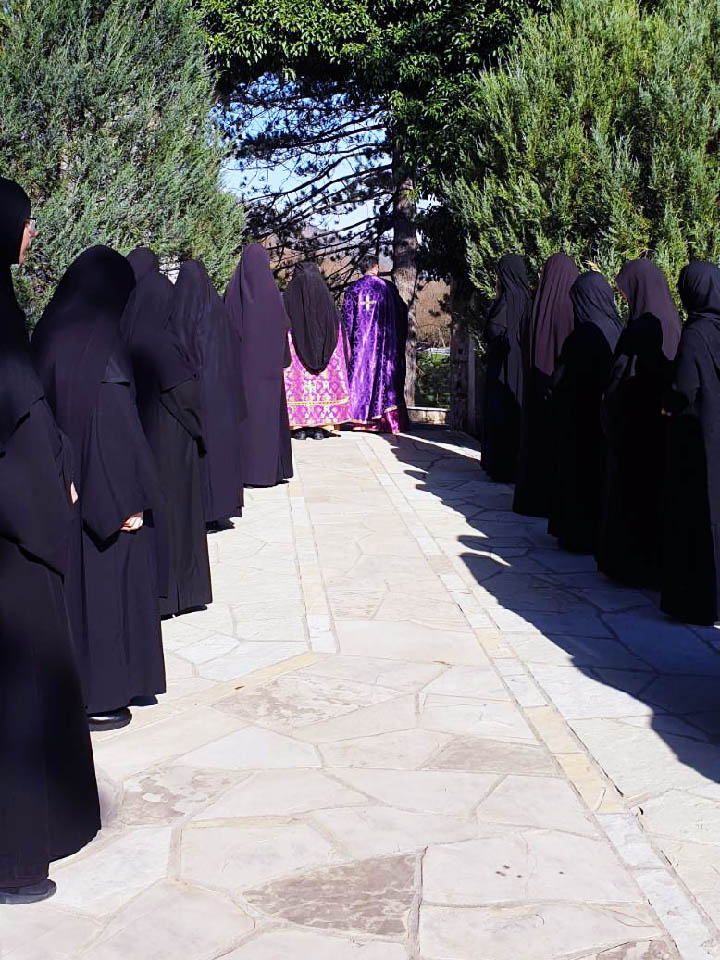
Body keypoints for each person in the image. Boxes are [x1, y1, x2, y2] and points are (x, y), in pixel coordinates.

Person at [0, 178, 99, 904]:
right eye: (25, 222)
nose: (31, 234)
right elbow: (21, 426)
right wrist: (56, 509)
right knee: (20, 696)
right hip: (13, 546)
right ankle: (16, 862)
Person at [32, 245, 166, 731]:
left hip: (62, 491)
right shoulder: (103, 349)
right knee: (107, 597)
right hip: (103, 499)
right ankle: (102, 695)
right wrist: (128, 499)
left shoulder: (49, 332)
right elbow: (112, 429)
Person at [123, 248, 212, 616]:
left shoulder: (126, 334)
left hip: (142, 438)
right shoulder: (160, 343)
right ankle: (179, 593)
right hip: (171, 439)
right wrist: (200, 429)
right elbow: (184, 395)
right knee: (177, 516)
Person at [595, 260, 681, 586]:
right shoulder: (673, 322)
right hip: (661, 429)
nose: (625, 300)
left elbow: (622, 378)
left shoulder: (640, 329)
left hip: (634, 430)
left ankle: (629, 566)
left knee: (632, 501)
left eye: (627, 294)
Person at [661, 261, 720, 625]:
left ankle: (695, 601)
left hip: (698, 439)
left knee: (695, 515)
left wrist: (666, 407)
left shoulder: (696, 333)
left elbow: (684, 389)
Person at [547, 270, 623, 553]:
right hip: (607, 421)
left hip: (579, 422)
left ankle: (577, 534)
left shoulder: (581, 337)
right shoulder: (618, 328)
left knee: (579, 477)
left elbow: (561, 381)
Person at [171, 259, 246, 520]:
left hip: (197, 394)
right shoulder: (219, 312)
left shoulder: (180, 313)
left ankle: (205, 511)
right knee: (222, 453)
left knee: (203, 456)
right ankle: (223, 508)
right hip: (223, 394)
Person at [513, 253, 579, 516]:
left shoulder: (534, 307)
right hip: (558, 389)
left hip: (534, 386)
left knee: (535, 442)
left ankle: (530, 499)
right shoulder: (571, 308)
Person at [225, 244, 293, 484]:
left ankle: (248, 472)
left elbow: (226, 330)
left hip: (242, 373)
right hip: (270, 375)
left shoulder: (233, 294)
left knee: (248, 421)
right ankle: (270, 471)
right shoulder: (273, 296)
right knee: (268, 420)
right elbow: (284, 328)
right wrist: (282, 360)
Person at [283, 261, 352, 439]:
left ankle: (298, 426)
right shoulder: (328, 303)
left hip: (295, 359)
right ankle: (322, 425)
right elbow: (341, 337)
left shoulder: (288, 300)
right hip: (325, 364)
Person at [343, 256, 409, 434]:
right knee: (383, 379)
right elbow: (401, 313)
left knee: (361, 378)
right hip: (384, 345)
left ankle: (360, 420)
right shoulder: (387, 288)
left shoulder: (353, 289)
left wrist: (348, 345)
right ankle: (384, 421)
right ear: (376, 267)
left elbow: (347, 321)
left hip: (361, 346)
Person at [482, 254, 532, 482]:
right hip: (523, 368)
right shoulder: (530, 300)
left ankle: (500, 465)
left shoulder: (505, 301)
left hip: (502, 367)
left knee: (500, 414)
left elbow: (493, 331)